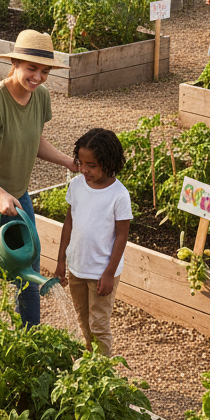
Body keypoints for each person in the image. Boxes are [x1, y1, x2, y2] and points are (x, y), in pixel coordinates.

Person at [0, 29, 79, 326]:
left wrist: (68, 161)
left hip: (18, 197)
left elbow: (34, 140)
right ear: (15, 64)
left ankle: (31, 342)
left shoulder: (41, 97)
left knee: (29, 275)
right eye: (31, 69)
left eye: (44, 71)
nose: (37, 77)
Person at [54, 128, 132, 356]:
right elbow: (68, 223)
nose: (84, 170)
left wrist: (109, 273)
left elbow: (122, 236)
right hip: (77, 268)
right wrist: (61, 260)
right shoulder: (77, 185)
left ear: (109, 163)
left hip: (101, 273)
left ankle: (103, 372)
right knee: (84, 323)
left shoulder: (119, 195)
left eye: (92, 165)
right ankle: (90, 365)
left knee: (99, 325)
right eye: (81, 163)